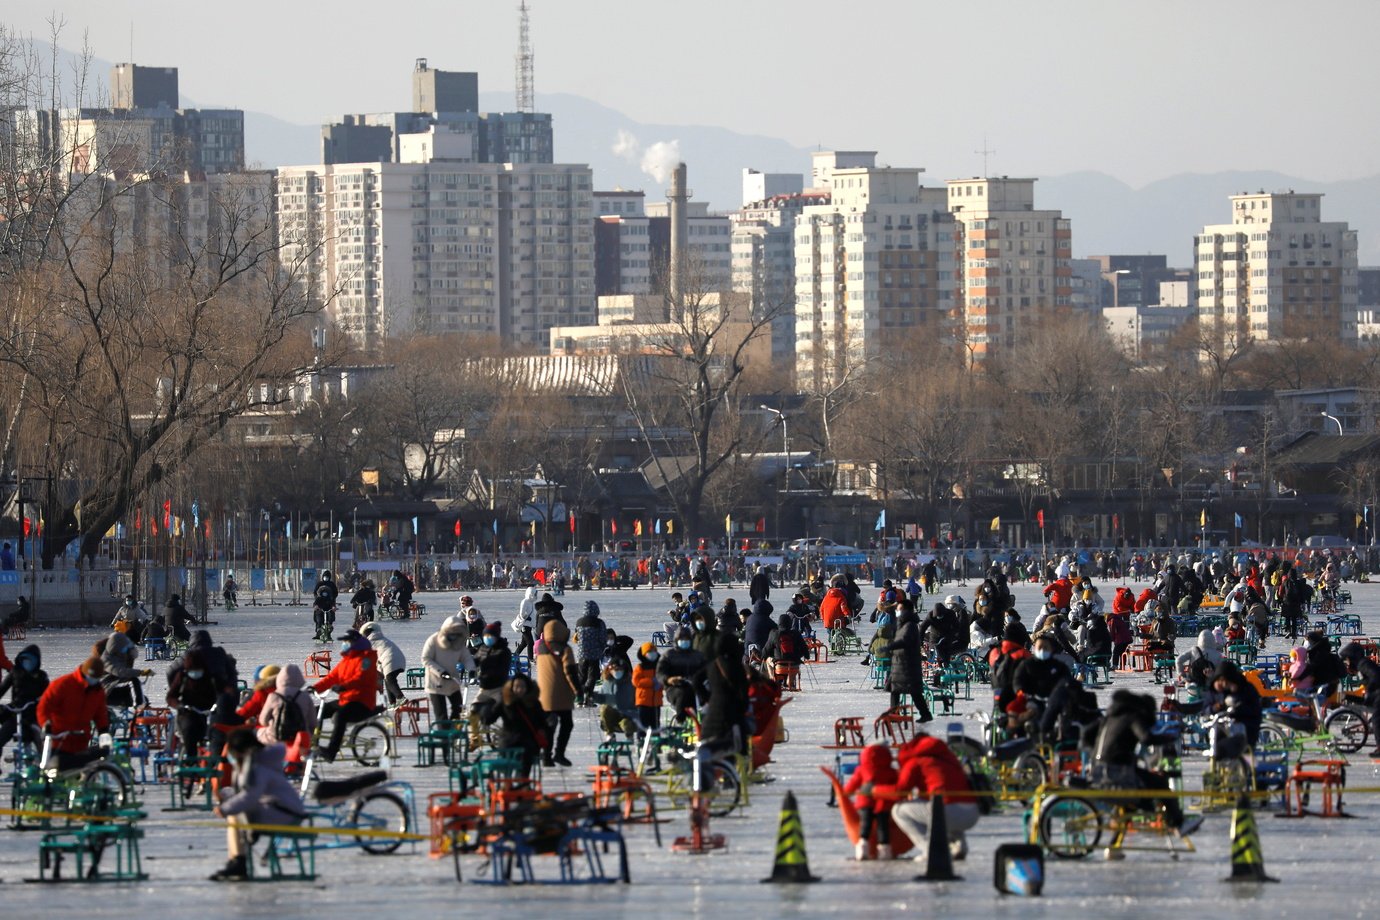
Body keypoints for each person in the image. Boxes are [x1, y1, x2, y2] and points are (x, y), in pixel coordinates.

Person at [1092, 690, 1201, 836]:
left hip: (1099, 768)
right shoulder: (1133, 716)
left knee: (1144, 786)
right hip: (1117, 771)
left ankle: (1114, 845)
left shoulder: (1113, 716)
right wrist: (1169, 737)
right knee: (1160, 783)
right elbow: (1146, 738)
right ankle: (1178, 823)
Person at [209, 728, 308, 882]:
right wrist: (226, 795)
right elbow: (250, 792)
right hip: (277, 808)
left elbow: (250, 795)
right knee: (236, 815)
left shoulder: (257, 767)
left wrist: (225, 809)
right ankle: (237, 860)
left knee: (234, 815)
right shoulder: (259, 761)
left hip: (285, 813)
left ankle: (238, 861)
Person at [882, 730, 978, 861]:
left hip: (948, 811)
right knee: (935, 804)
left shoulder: (917, 760)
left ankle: (929, 849)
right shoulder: (949, 757)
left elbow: (900, 791)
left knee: (899, 811)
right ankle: (959, 845)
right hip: (972, 812)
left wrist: (875, 790)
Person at [311, 628, 379, 762]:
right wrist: (314, 688)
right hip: (346, 700)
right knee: (315, 711)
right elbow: (331, 677)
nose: (344, 644)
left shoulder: (366, 659)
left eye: (347, 641)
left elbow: (361, 678)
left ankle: (331, 751)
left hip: (362, 702)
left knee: (340, 716)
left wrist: (343, 686)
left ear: (355, 643)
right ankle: (313, 744)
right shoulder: (346, 660)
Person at [36, 656, 109, 771]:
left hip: (81, 741)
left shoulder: (97, 691)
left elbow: (100, 714)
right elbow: (43, 707)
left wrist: (103, 731)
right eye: (91, 677)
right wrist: (46, 724)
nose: (93, 680)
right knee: (56, 774)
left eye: (96, 678)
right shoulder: (63, 684)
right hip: (58, 740)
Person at [536, 617, 580, 767]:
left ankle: (546, 755)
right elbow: (570, 672)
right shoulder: (565, 649)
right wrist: (578, 691)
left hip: (544, 696)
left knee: (549, 726)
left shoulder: (540, 648)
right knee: (567, 724)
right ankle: (559, 753)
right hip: (562, 696)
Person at [482, 675, 546, 777]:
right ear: (511, 687)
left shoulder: (533, 703)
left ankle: (523, 784)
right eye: (517, 686)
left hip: (527, 742)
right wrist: (487, 708)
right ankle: (507, 784)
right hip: (509, 741)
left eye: (522, 686)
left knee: (524, 764)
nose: (520, 689)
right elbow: (489, 719)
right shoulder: (505, 701)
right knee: (507, 766)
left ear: (528, 687)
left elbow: (542, 722)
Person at [843, 743, 898, 860]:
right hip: (883, 803)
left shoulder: (862, 769)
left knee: (865, 824)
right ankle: (885, 850)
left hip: (865, 802)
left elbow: (851, 786)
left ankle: (863, 847)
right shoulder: (890, 771)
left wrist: (845, 794)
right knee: (883, 827)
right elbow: (898, 787)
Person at [884, 599, 934, 723]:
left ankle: (925, 714)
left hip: (908, 664)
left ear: (907, 611)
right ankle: (895, 714)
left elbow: (905, 641)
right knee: (896, 691)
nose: (897, 612)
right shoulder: (901, 624)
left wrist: (891, 646)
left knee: (914, 691)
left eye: (900, 609)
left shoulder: (910, 625)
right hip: (900, 664)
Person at [167, 648, 220, 763]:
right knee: (189, 730)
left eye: (198, 670)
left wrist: (219, 704)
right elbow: (171, 697)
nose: (196, 673)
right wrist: (180, 706)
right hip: (188, 712)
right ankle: (191, 761)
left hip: (207, 711)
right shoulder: (183, 677)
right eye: (193, 670)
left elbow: (218, 693)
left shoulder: (209, 678)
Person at [421, 615, 476, 724]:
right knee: (441, 715)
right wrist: (441, 672)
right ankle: (444, 738)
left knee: (459, 709)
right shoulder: (433, 640)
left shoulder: (459, 644)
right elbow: (426, 659)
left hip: (452, 682)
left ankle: (453, 732)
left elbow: (467, 658)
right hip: (435, 683)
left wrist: (472, 671)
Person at [0, 643, 48, 761]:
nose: (27, 663)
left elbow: (49, 696)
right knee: (2, 735)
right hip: (15, 712)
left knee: (39, 740)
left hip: (32, 715)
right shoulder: (16, 672)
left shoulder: (41, 676)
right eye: (25, 659)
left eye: (30, 660)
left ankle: (43, 767)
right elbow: (2, 688)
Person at [468, 622, 513, 746]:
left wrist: (486, 672)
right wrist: (467, 663)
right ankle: (475, 737)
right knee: (473, 710)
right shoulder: (483, 648)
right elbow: (475, 661)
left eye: (490, 636)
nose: (487, 638)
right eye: (486, 636)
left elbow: (502, 670)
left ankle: (508, 734)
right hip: (484, 688)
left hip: (499, 688)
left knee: (503, 711)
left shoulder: (504, 651)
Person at [255, 664, 316, 747]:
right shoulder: (305, 696)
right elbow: (312, 722)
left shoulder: (274, 696)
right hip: (300, 738)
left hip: (276, 737)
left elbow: (263, 720)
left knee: (257, 733)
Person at [657, 626, 706, 722]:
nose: (684, 641)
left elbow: (707, 670)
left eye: (687, 639)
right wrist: (668, 679)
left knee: (709, 696)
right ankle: (681, 720)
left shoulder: (697, 655)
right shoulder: (669, 655)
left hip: (696, 686)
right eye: (681, 639)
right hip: (675, 687)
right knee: (683, 694)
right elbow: (660, 672)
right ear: (676, 640)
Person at [1339, 643, 1380, 757]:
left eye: (1347, 661)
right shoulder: (1361, 666)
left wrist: (1370, 691)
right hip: (1376, 694)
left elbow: (1376, 676)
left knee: (1377, 719)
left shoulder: (1363, 664)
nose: (1347, 664)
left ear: (1353, 658)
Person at [100, 631, 152, 708]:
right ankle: (140, 706)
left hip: (115, 684)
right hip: (107, 688)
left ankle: (141, 703)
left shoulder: (120, 655)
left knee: (134, 683)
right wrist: (141, 672)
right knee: (133, 681)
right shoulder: (106, 659)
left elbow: (134, 654)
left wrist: (131, 650)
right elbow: (119, 671)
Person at [360, 621, 406, 705]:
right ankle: (392, 702)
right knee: (388, 679)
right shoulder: (382, 639)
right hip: (399, 660)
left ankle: (400, 698)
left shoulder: (370, 643)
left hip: (390, 660)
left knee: (390, 680)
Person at [573, 600, 609, 703]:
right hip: (594, 653)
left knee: (582, 674)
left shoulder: (579, 622)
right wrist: (602, 648)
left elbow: (577, 636)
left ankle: (579, 695)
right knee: (592, 675)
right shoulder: (599, 623)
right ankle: (588, 693)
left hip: (581, 653)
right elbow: (602, 638)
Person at [592, 661, 638, 740]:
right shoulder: (604, 682)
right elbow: (600, 697)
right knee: (604, 708)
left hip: (626, 715)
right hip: (612, 715)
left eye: (619, 669)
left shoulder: (630, 683)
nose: (617, 671)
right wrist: (592, 695)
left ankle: (629, 735)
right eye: (614, 669)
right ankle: (609, 734)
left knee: (626, 724)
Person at [632, 642, 663, 730]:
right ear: (644, 654)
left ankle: (656, 740)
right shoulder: (640, 667)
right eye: (649, 652)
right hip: (643, 701)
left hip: (656, 701)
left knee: (655, 724)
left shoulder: (659, 667)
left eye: (654, 651)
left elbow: (664, 678)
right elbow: (636, 681)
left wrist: (661, 683)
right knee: (643, 723)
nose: (652, 654)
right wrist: (651, 682)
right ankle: (641, 739)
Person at [511, 586, 538, 661]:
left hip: (529, 626)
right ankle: (530, 658)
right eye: (535, 594)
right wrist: (526, 617)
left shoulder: (531, 602)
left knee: (524, 643)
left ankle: (516, 655)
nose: (536, 595)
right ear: (531, 594)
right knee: (530, 642)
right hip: (524, 626)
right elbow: (521, 613)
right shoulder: (525, 601)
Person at [312, 570, 340, 640]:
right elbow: (315, 593)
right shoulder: (319, 584)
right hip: (320, 605)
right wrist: (317, 603)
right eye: (325, 576)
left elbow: (336, 593)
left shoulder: (332, 584)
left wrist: (332, 598)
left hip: (329, 603)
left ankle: (328, 632)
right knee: (318, 619)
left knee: (330, 618)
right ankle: (318, 632)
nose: (326, 578)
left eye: (327, 577)